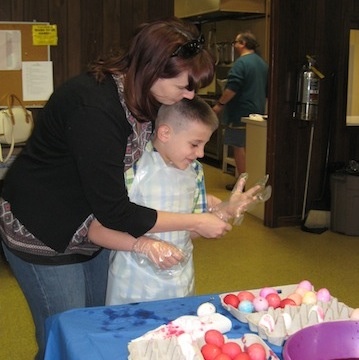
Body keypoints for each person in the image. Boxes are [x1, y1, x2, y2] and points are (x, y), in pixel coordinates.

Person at [0, 17, 260, 360]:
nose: (190, 96)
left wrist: (209, 202)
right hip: (43, 226)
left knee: (94, 325)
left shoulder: (145, 95)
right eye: (184, 87)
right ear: (154, 70)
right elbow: (117, 211)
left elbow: (156, 169)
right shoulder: (96, 108)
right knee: (64, 335)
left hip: (92, 224)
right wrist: (193, 221)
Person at [106, 96, 222, 305]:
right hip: (132, 285)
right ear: (165, 133)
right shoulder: (131, 167)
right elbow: (98, 229)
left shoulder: (195, 171)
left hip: (179, 283)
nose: (201, 153)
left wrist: (223, 213)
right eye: (195, 144)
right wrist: (143, 245)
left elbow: (191, 230)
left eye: (204, 144)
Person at [213, 30, 268, 191]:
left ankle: (243, 183)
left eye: (236, 42)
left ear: (243, 44)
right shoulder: (262, 64)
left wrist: (219, 105)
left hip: (240, 112)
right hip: (256, 112)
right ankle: (254, 182)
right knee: (253, 149)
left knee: (239, 147)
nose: (235, 45)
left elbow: (232, 88)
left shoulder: (241, 64)